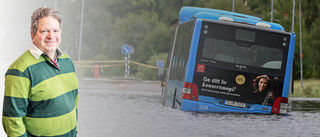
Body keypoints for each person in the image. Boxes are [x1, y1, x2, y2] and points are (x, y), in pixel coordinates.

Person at [2, 6, 79, 137]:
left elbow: (74, 102)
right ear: (32, 34)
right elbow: (12, 121)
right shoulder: (20, 70)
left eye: (56, 30)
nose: (51, 36)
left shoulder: (67, 61)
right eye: (44, 31)